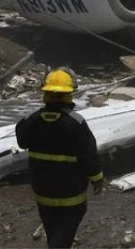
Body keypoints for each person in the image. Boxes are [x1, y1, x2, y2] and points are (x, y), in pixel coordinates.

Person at [15, 68, 103, 248]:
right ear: (69, 95)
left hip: (43, 192)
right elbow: (88, 155)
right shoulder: (76, 123)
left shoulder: (31, 120)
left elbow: (22, 142)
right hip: (72, 194)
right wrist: (97, 178)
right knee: (65, 232)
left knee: (52, 227)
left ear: (45, 94)